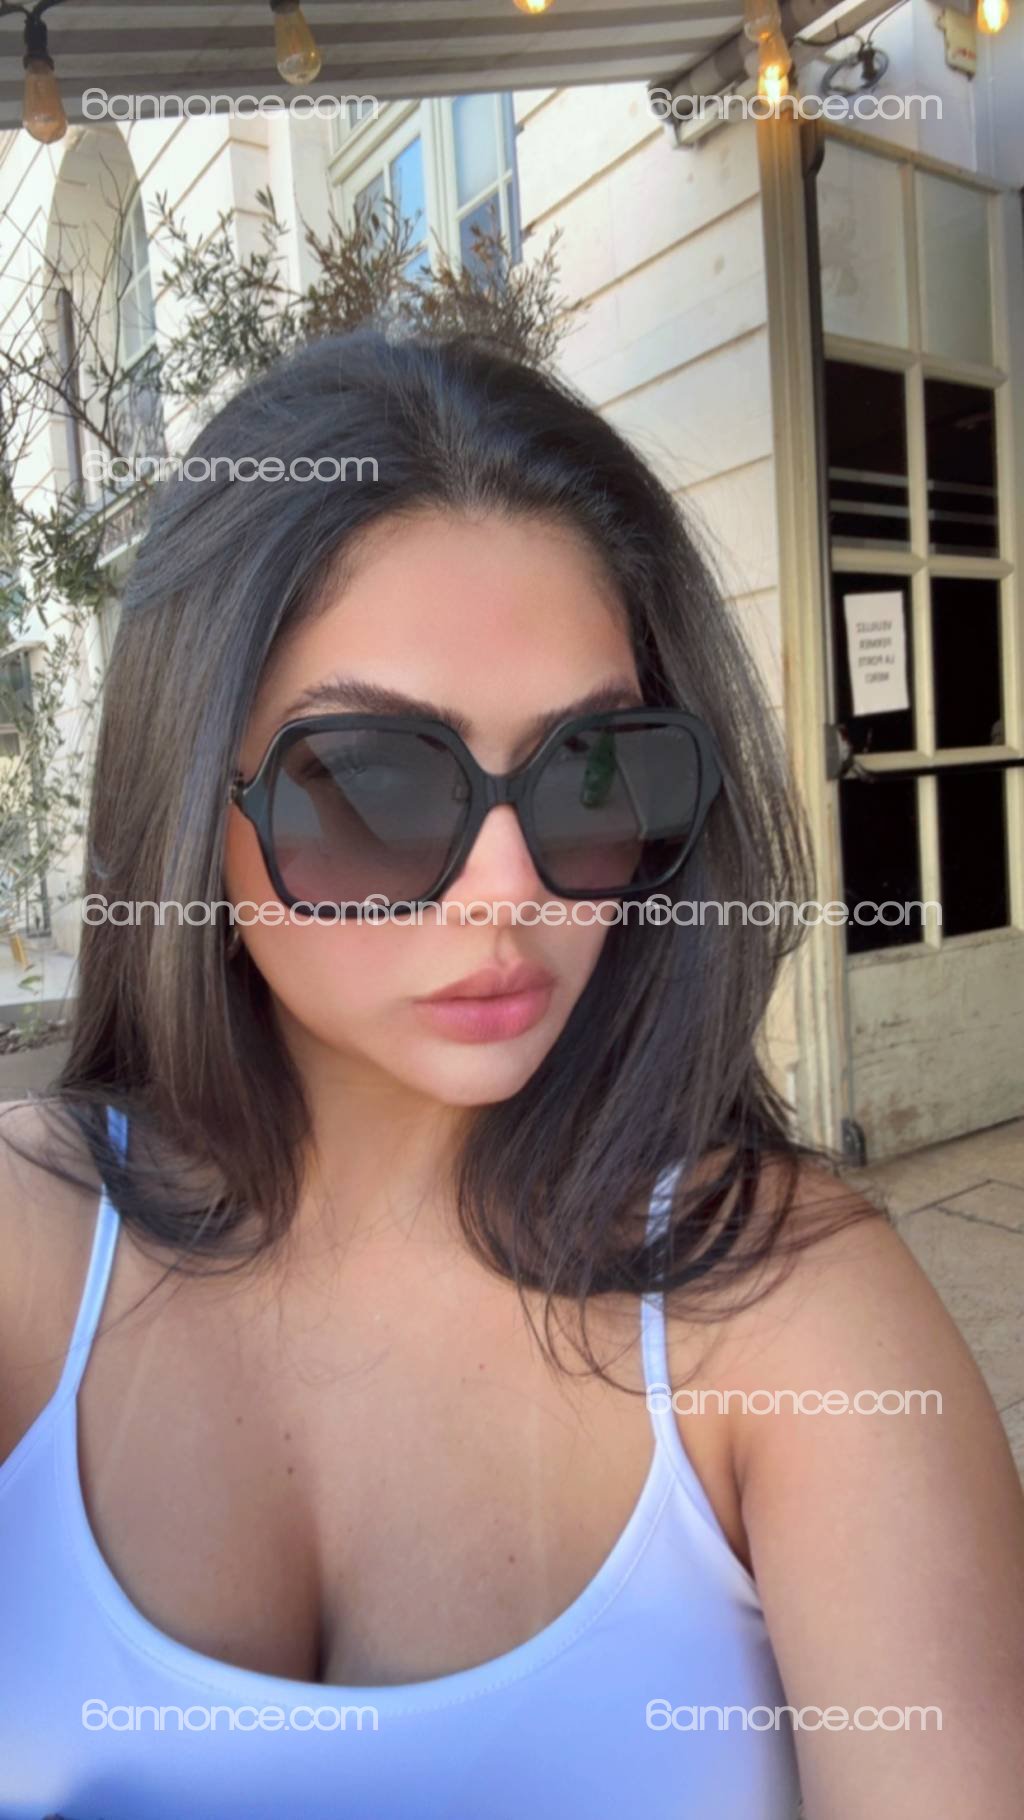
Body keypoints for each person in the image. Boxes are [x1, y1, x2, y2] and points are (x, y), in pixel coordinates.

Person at [0, 328, 1021, 1820]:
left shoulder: (792, 1307)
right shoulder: (25, 1247)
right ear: (188, 796)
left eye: (593, 770)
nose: (510, 889)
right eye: (372, 780)